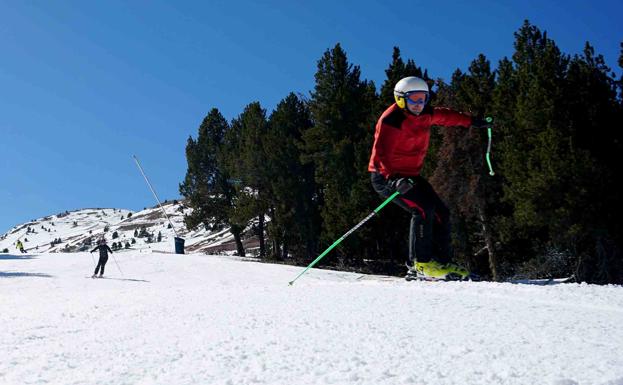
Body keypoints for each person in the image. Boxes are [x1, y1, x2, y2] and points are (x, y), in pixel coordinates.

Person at [369, 76, 489, 281]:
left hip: (411, 175)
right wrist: (393, 179)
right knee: (422, 209)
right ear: (400, 99)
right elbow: (382, 153)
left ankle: (442, 262)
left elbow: (447, 116)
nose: (419, 104)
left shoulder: (426, 113)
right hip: (386, 177)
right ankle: (420, 264)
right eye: (413, 99)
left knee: (441, 212)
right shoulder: (391, 120)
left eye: (423, 99)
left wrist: (472, 121)